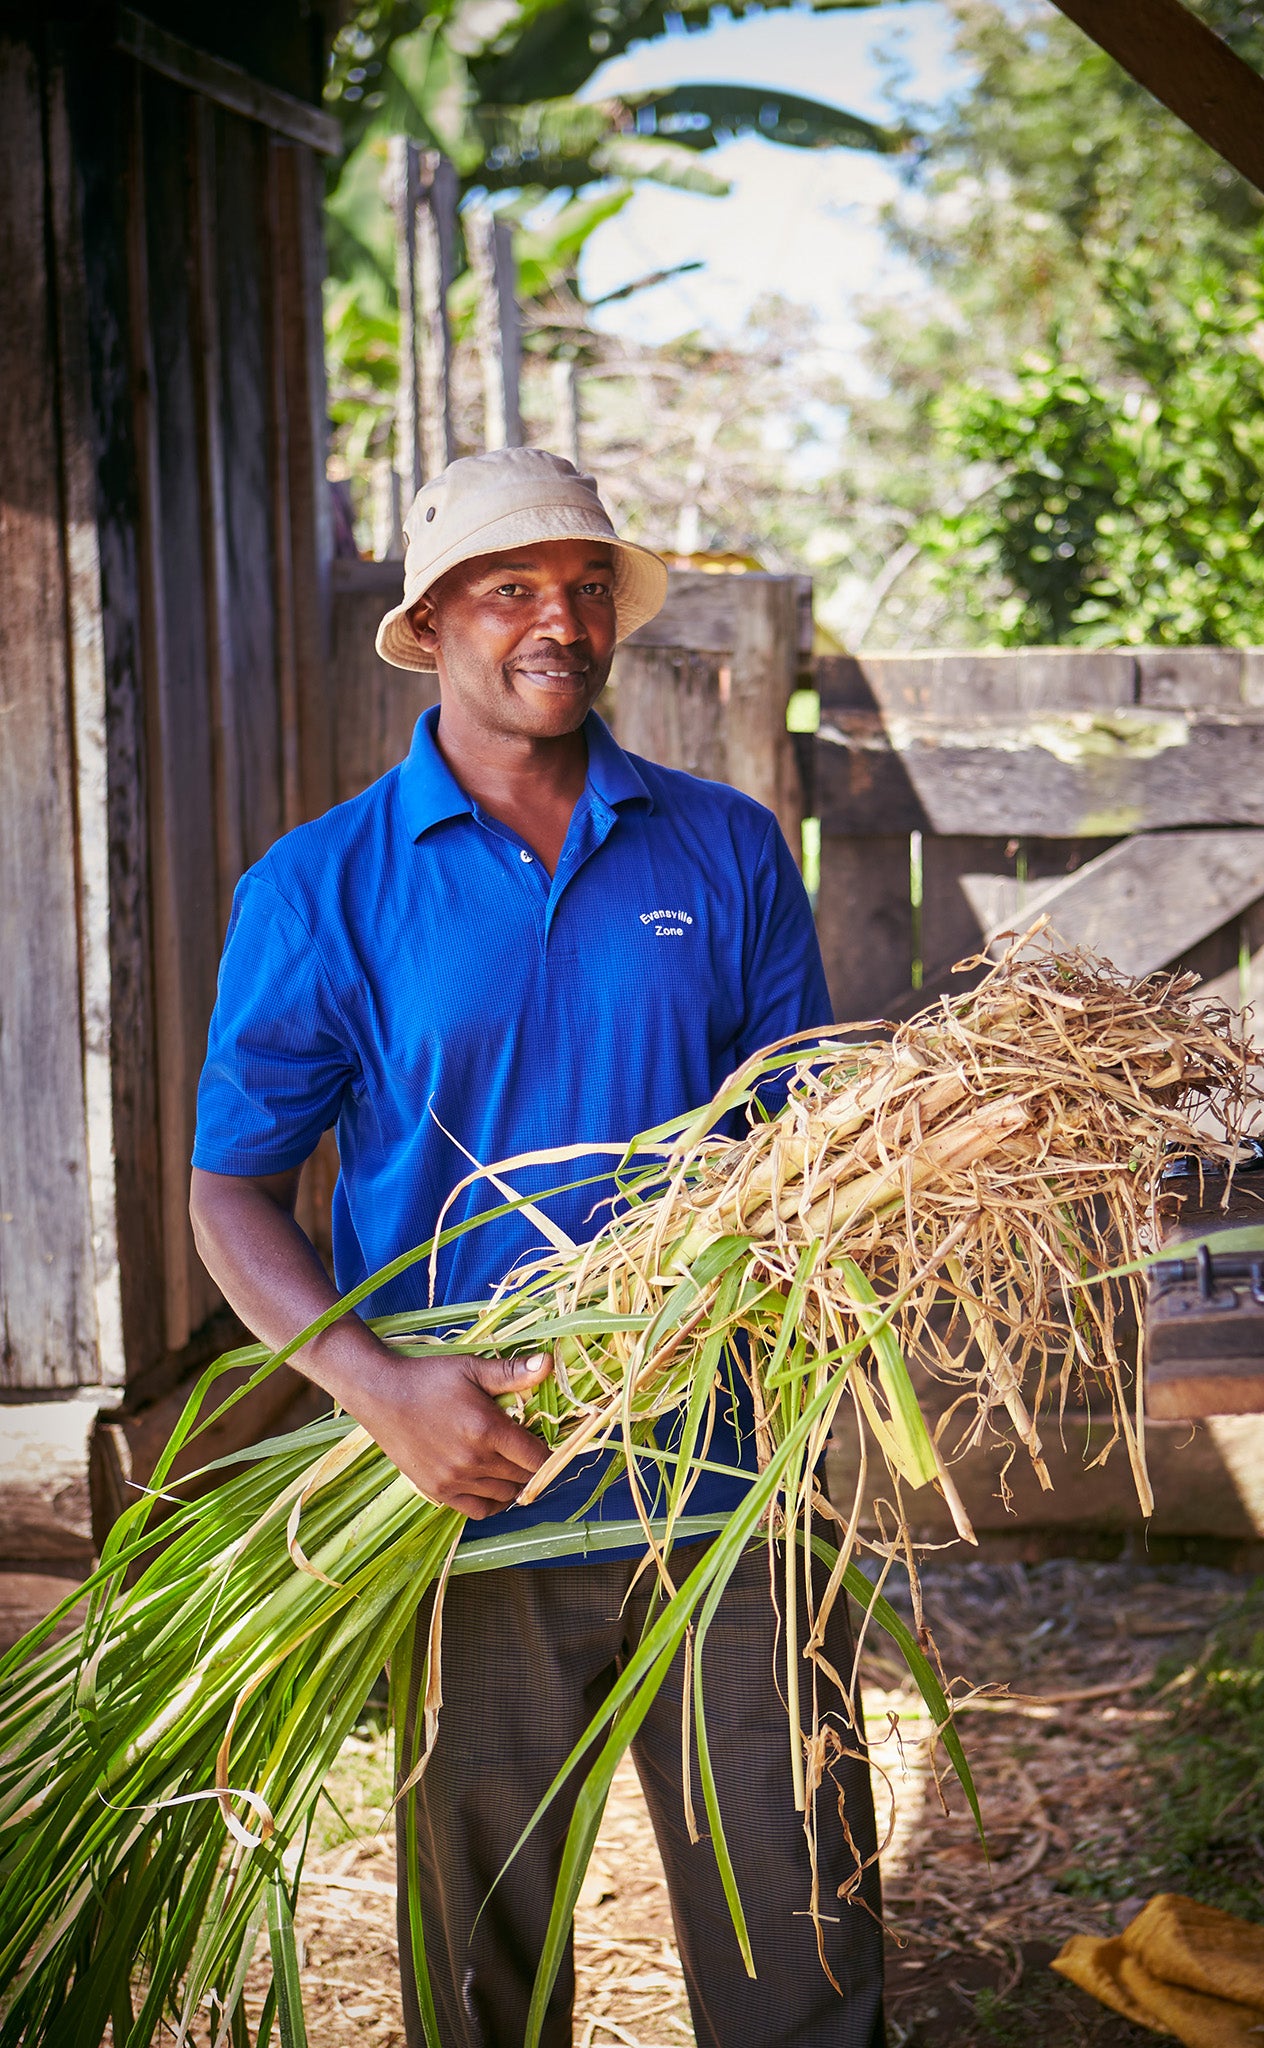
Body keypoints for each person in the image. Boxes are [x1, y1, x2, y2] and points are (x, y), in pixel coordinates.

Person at [189, 447, 885, 2048]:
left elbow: (798, 1145)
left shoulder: (722, 850)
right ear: (432, 621)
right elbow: (232, 1191)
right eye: (513, 588)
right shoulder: (322, 891)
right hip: (476, 1492)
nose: (558, 620)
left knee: (807, 1923)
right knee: (481, 1955)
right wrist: (380, 1393)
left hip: (730, 1467)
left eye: (584, 587)